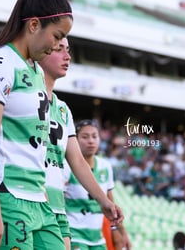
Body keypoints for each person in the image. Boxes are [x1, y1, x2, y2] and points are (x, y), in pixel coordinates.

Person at [0, 0, 75, 250]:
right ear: (34, 25)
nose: (59, 45)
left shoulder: (36, 71)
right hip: (4, 198)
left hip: (38, 201)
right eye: (58, 36)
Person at [39, 38, 125, 250]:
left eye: (94, 136)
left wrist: (107, 206)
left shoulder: (63, 110)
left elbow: (77, 161)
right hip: (40, 210)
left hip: (86, 233)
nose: (67, 56)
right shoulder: (24, 97)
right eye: (59, 49)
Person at [65, 119, 132, 250]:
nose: (91, 141)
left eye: (94, 136)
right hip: (74, 236)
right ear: (75, 140)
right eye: (85, 137)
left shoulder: (105, 166)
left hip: (97, 239)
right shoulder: (66, 167)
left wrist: (122, 232)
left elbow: (110, 204)